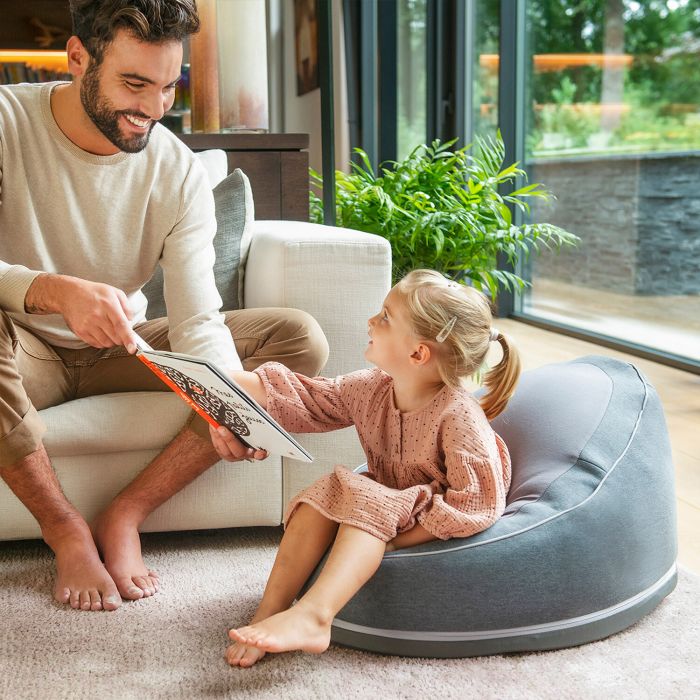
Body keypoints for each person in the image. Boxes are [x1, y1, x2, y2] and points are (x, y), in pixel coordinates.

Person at [0, 0, 328, 612]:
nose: (152, 109)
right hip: (19, 351)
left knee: (296, 338)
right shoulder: (6, 121)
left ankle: (125, 513)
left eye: (167, 86)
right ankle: (65, 528)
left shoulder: (175, 170)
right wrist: (53, 290)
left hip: (121, 344)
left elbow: (197, 316)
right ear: (77, 58)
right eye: (133, 83)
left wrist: (226, 399)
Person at [224, 269, 521, 667]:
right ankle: (271, 610)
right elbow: (311, 399)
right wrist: (227, 382)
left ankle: (315, 616)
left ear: (418, 353)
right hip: (385, 500)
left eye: (385, 317)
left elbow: (477, 504)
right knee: (326, 492)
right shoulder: (372, 388)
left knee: (369, 498)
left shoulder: (458, 417)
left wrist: (394, 539)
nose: (371, 321)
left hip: (431, 514)